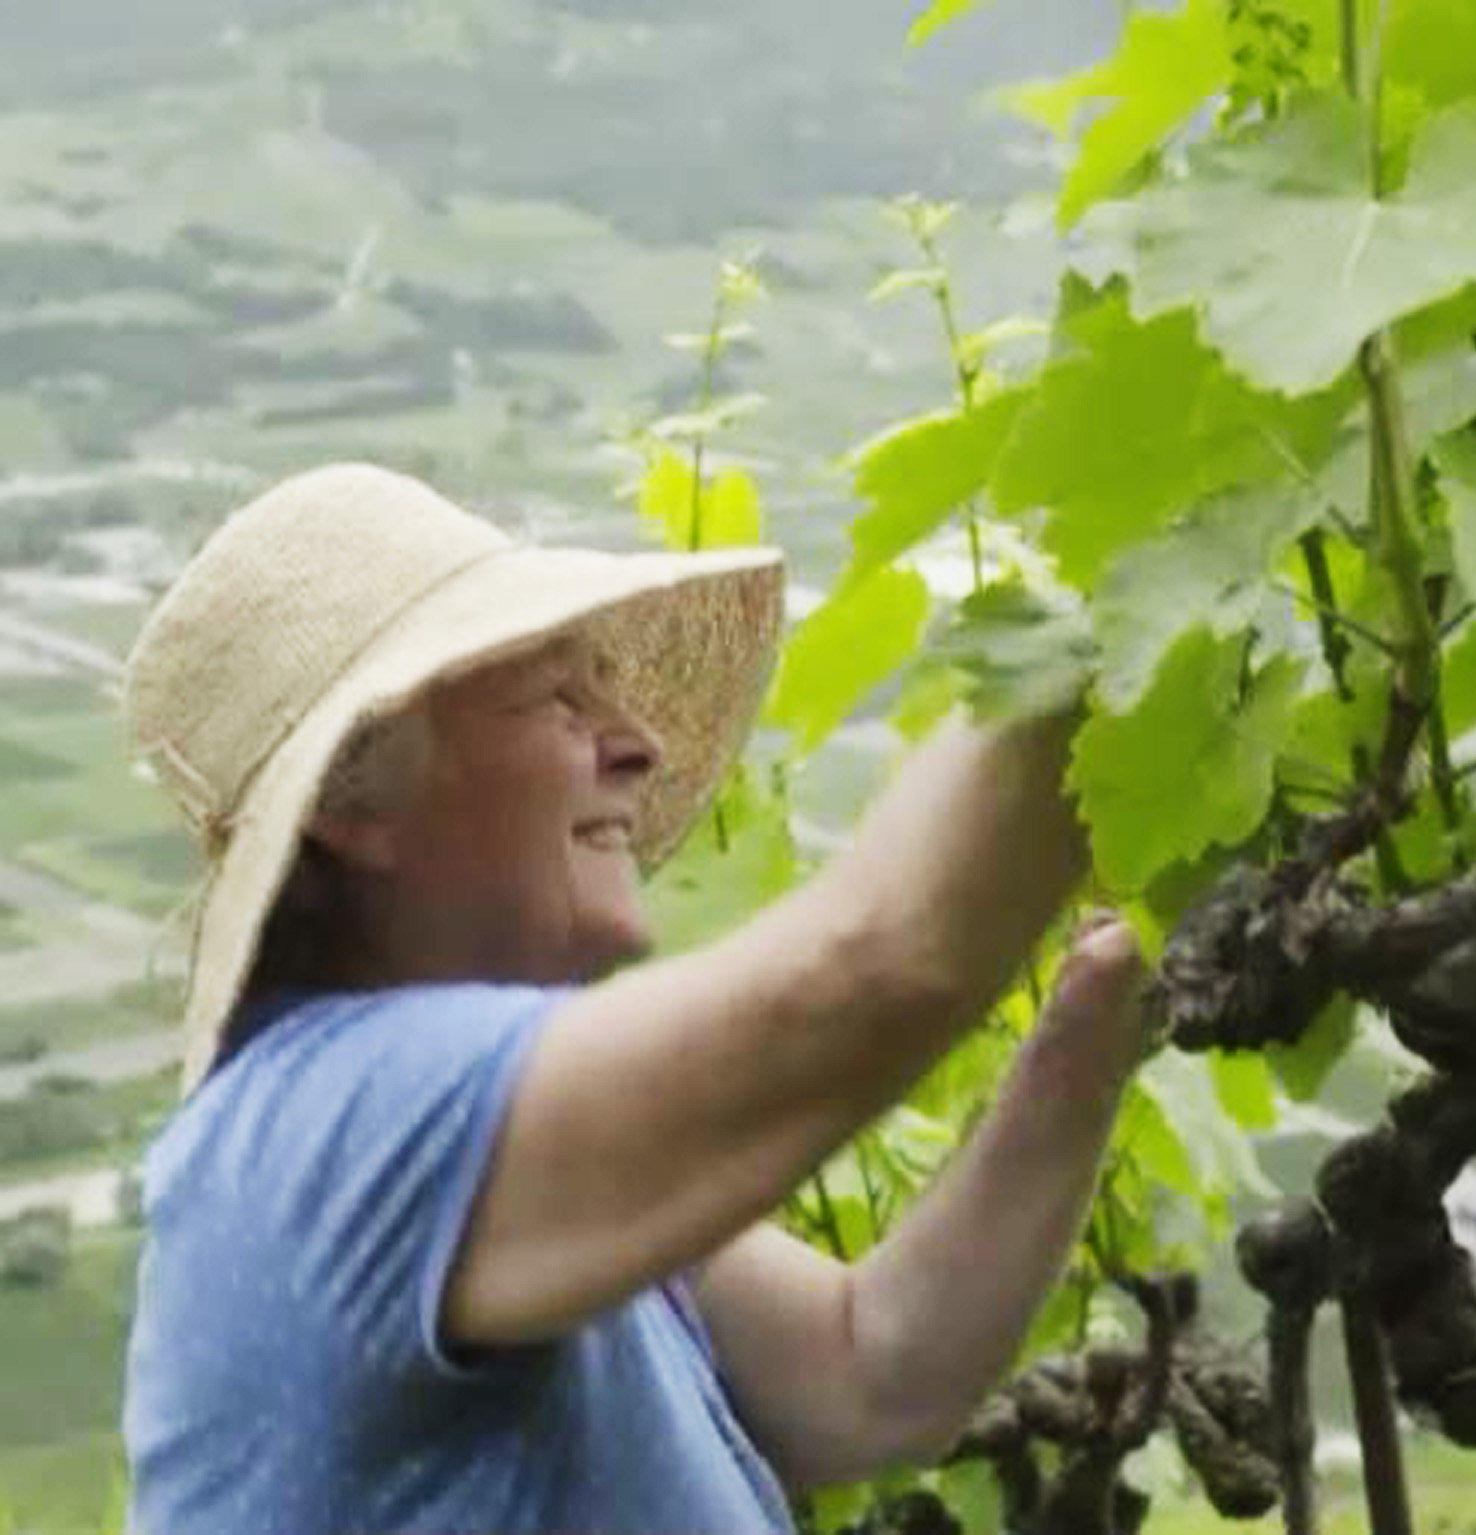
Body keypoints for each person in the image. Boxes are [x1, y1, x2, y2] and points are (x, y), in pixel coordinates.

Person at [118, 462, 1142, 1534]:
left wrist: (1091, 1015)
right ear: (353, 802)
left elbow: (870, 1366)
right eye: (559, 696)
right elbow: (874, 968)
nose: (639, 744)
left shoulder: (478, 1159)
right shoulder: (328, 1136)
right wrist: (1125, 600)